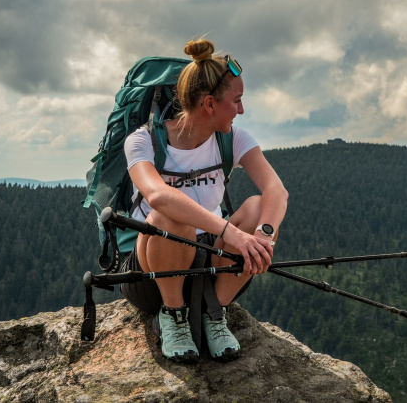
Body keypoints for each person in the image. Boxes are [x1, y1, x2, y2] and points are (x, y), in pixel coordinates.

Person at [120, 38, 288, 363]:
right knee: (170, 216)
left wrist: (263, 236)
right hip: (152, 276)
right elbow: (157, 195)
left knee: (256, 208)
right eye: (236, 100)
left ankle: (215, 312)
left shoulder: (233, 138)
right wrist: (231, 233)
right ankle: (173, 314)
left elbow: (276, 191)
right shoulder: (143, 141)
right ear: (210, 104)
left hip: (207, 267)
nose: (242, 109)